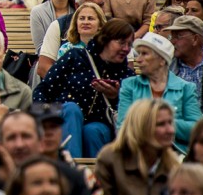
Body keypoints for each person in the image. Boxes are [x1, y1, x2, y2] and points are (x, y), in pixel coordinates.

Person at [36, 18, 135, 156]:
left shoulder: (126, 75)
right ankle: (71, 169)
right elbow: (43, 90)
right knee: (71, 109)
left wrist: (115, 97)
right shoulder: (75, 57)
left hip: (100, 125)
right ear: (105, 40)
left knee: (92, 131)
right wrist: (42, 119)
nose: (126, 49)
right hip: (63, 118)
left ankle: (96, 175)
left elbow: (132, 114)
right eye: (121, 42)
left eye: (129, 44)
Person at [98, 97, 182, 195]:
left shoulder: (174, 166)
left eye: (170, 123)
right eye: (161, 124)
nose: (170, 130)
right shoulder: (110, 159)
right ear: (141, 126)